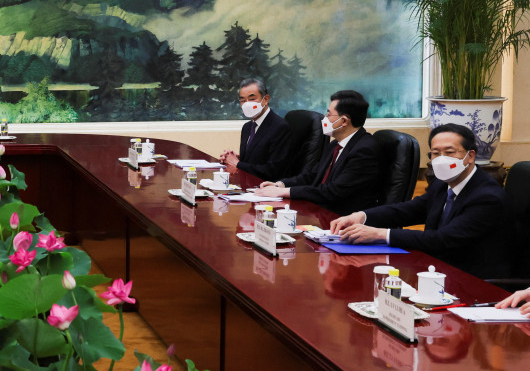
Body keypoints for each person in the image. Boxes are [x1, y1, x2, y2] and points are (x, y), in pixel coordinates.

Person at [330, 124, 513, 279]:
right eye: (435, 153)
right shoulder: (442, 184)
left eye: (450, 152)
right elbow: (409, 210)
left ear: (470, 156)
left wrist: (380, 234)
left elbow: (443, 239)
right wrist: (361, 216)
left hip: (473, 280)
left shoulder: (487, 197)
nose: (441, 159)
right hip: (437, 270)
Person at [255, 90, 380, 214]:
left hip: (343, 219)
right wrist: (280, 185)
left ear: (344, 121)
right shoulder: (335, 144)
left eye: (329, 114)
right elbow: (312, 175)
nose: (325, 118)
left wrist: (286, 192)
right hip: (322, 211)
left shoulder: (364, 150)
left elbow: (333, 191)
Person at [219, 77, 292, 180]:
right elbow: (256, 160)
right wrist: (233, 158)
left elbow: (274, 170)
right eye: (243, 100)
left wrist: (238, 163)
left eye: (252, 99)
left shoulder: (280, 127)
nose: (247, 104)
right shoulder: (247, 127)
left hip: (267, 188)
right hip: (248, 185)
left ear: (265, 99)